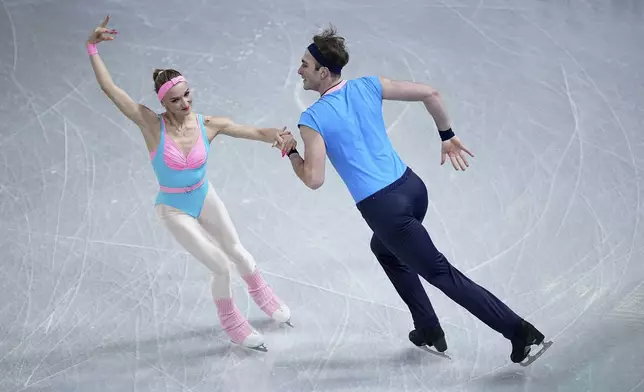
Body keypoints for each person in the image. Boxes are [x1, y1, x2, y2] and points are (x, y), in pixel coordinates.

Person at [283, 25, 552, 366]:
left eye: (305, 64)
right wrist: (447, 134)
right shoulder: (369, 85)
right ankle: (428, 328)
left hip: (385, 210)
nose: (299, 70)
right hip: (412, 189)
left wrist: (291, 152)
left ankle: (522, 334)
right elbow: (431, 94)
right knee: (384, 249)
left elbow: (314, 179)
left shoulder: (312, 118)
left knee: (441, 273)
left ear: (322, 71)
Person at [85, 16, 295, 352]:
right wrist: (92, 48)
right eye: (176, 100)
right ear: (162, 103)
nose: (184, 104)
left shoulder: (208, 124)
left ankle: (264, 298)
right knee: (220, 265)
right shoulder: (151, 126)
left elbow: (255, 131)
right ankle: (233, 325)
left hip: (204, 197)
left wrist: (277, 136)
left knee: (238, 252)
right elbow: (112, 91)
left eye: (187, 96)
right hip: (174, 208)